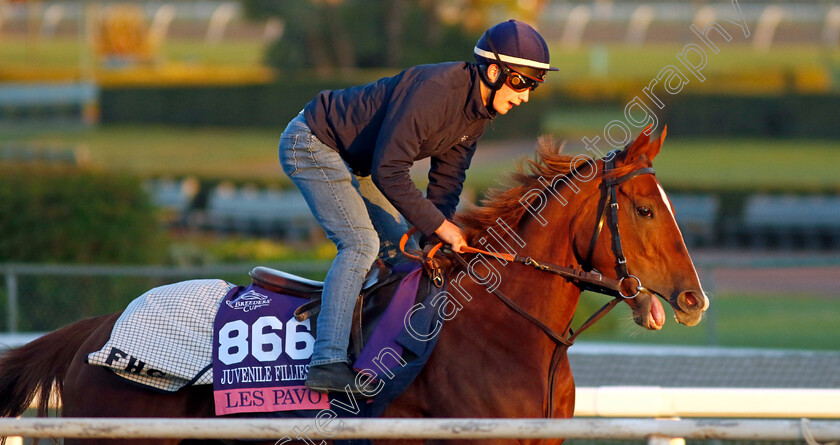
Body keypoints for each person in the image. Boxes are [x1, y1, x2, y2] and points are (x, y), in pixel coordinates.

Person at [277, 19, 557, 395]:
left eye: (534, 87)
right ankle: (327, 362)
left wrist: (432, 237)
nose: (524, 96)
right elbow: (389, 170)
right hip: (312, 144)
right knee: (361, 244)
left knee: (405, 253)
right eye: (521, 83)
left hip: (358, 163)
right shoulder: (435, 91)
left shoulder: (478, 114)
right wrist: (441, 227)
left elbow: (447, 181)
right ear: (494, 71)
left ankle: (377, 352)